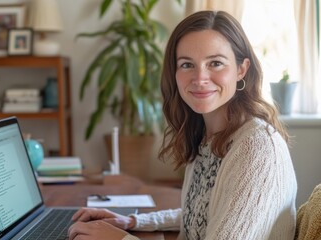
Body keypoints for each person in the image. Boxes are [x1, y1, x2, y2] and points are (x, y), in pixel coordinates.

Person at [68, 10, 297, 240]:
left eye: (215, 63)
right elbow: (204, 215)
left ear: (241, 69)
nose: (200, 78)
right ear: (174, 73)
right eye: (187, 65)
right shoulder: (208, 136)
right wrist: (132, 221)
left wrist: (120, 239)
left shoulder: (256, 148)